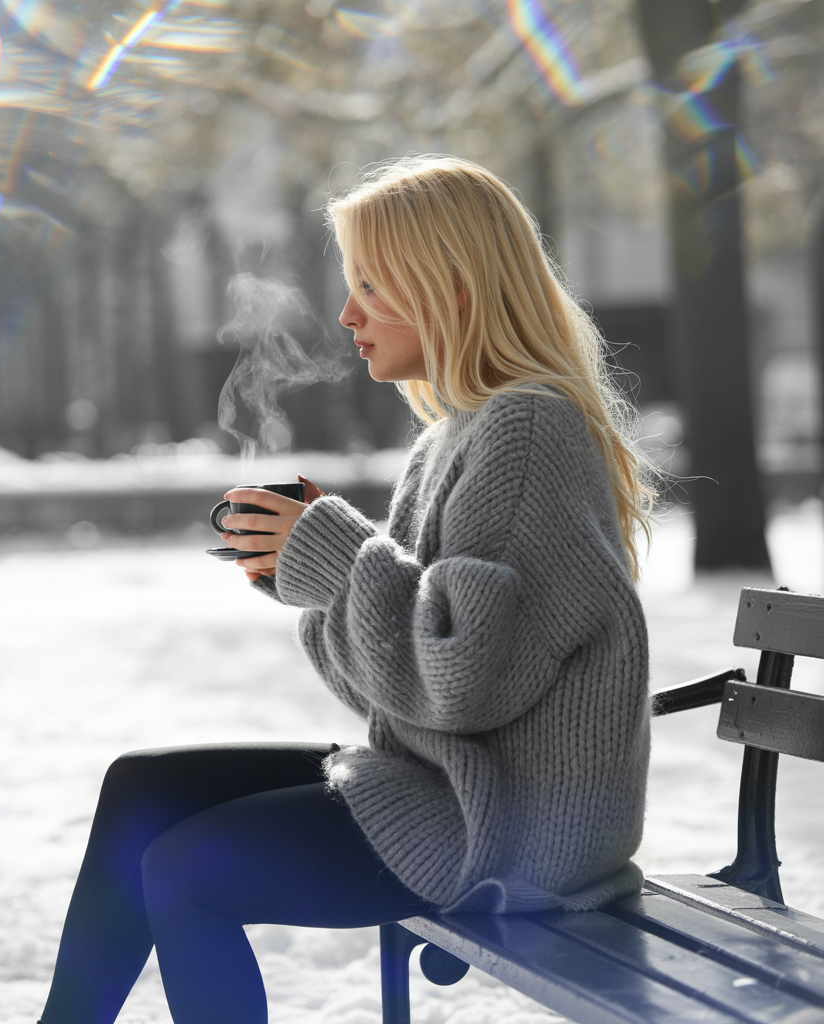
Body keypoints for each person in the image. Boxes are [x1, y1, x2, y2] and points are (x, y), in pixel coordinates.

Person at [38, 155, 654, 1024]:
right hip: (447, 786)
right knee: (143, 790)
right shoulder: (453, 436)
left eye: (371, 286)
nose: (346, 314)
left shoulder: (527, 429)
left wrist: (335, 559)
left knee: (184, 870)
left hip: (509, 832)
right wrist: (305, 576)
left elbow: (466, 680)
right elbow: (398, 684)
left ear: (448, 286)